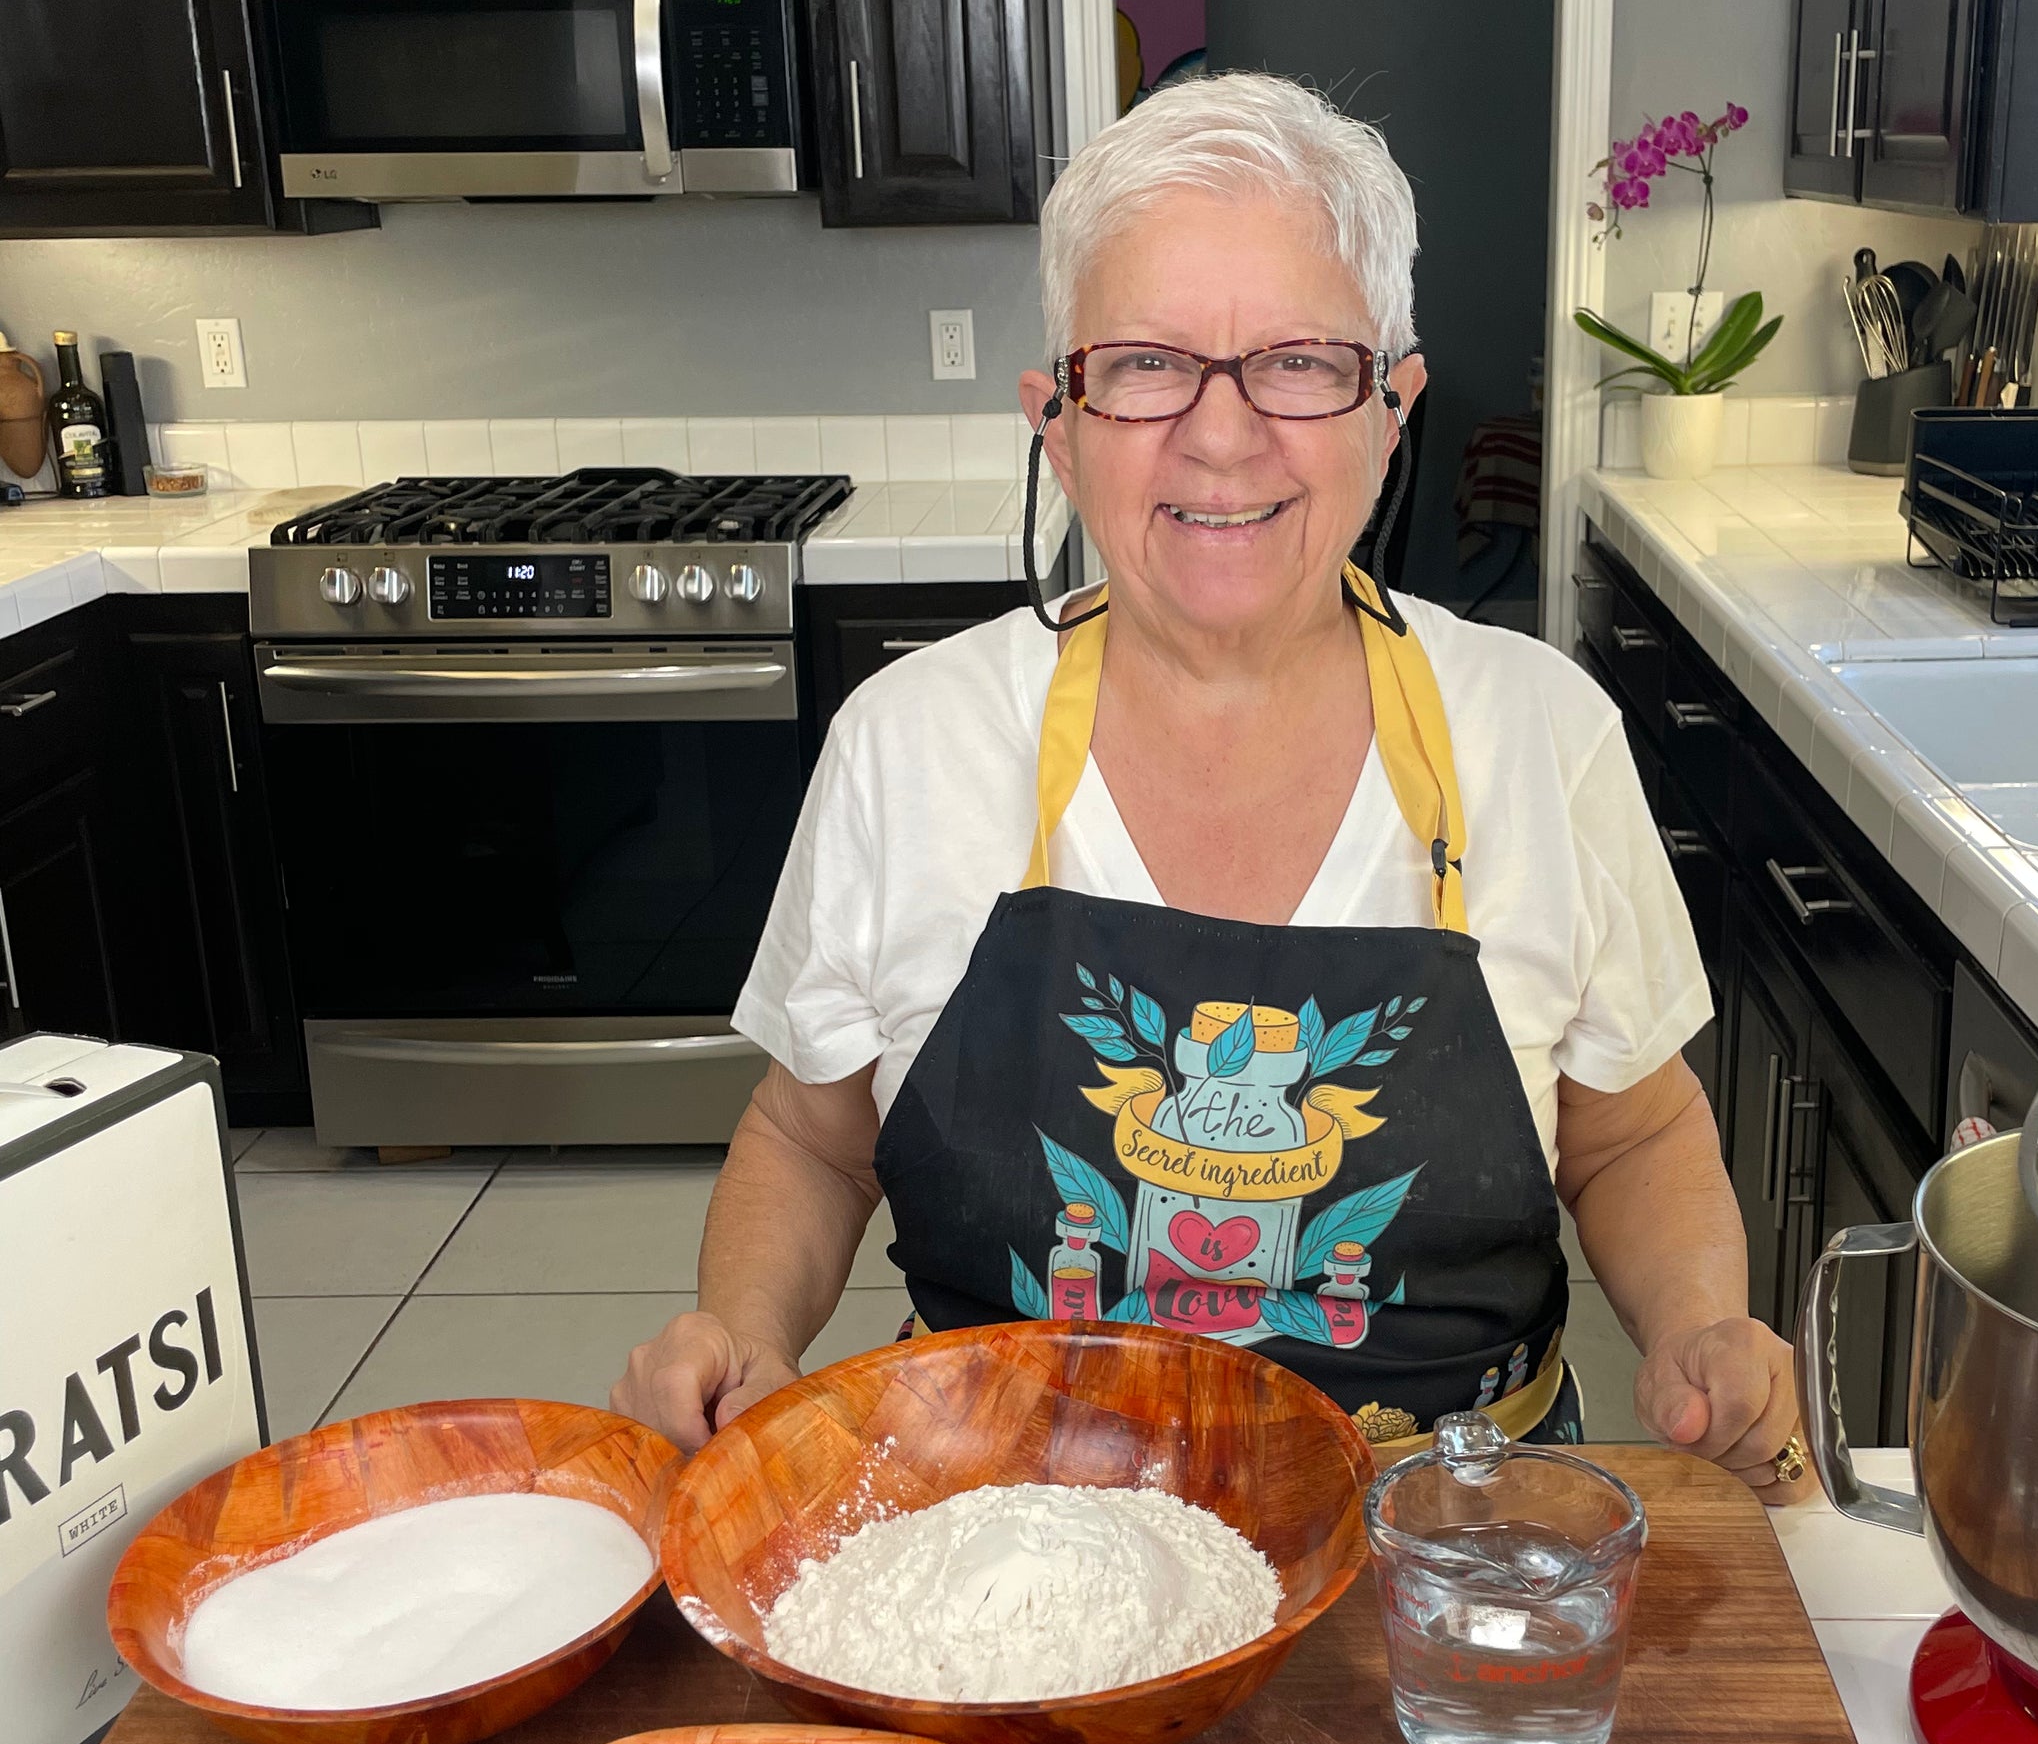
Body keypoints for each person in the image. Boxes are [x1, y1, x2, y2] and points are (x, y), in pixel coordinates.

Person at [616, 72, 1805, 1494]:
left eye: (1301, 362)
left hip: (1438, 1557)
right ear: (1056, 419)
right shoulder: (907, 742)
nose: (1223, 433)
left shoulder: (1540, 735)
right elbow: (812, 1139)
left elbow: (1635, 1134)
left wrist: (1696, 1327)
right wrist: (747, 1331)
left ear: (1393, 408)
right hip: (1002, 1539)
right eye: (1145, 364)